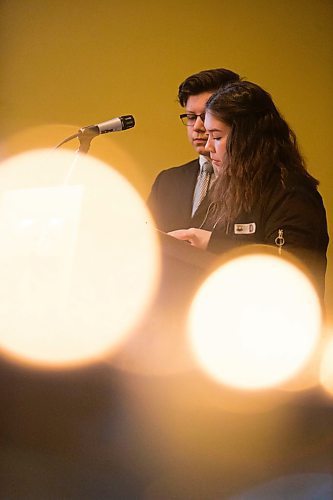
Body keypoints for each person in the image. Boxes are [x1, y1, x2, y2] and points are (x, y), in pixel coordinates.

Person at [168, 80, 329, 296]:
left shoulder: (291, 195)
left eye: (216, 137)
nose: (208, 147)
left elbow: (290, 275)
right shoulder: (226, 190)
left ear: (247, 139)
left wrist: (212, 243)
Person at [147, 68, 240, 232]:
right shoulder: (167, 181)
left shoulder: (252, 180)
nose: (197, 126)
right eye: (191, 117)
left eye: (206, 116)